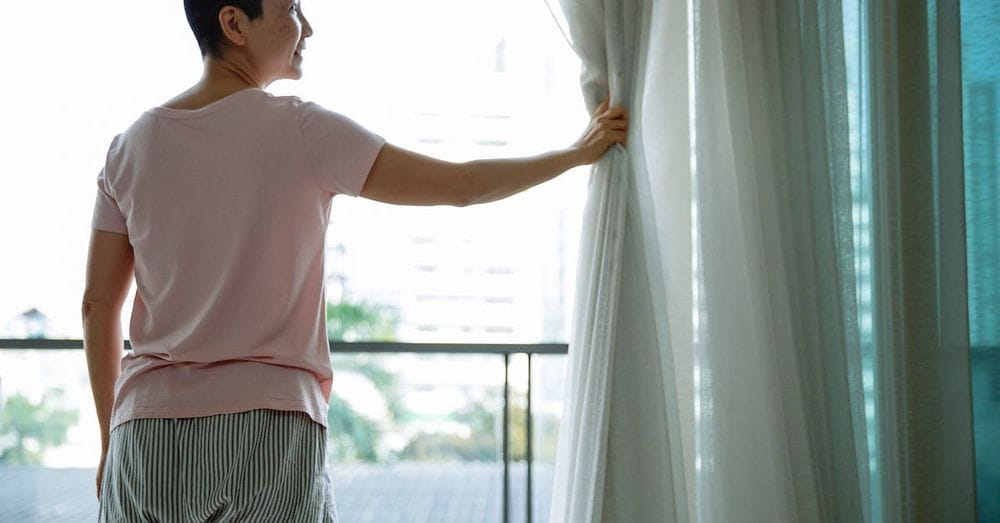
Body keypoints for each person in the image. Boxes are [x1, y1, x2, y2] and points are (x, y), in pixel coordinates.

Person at [82, 0, 629, 521]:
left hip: (145, 436)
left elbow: (97, 305)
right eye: (291, 9)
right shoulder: (302, 128)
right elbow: (458, 184)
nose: (307, 27)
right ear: (234, 23)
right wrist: (575, 154)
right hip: (265, 431)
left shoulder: (130, 146)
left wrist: (112, 438)